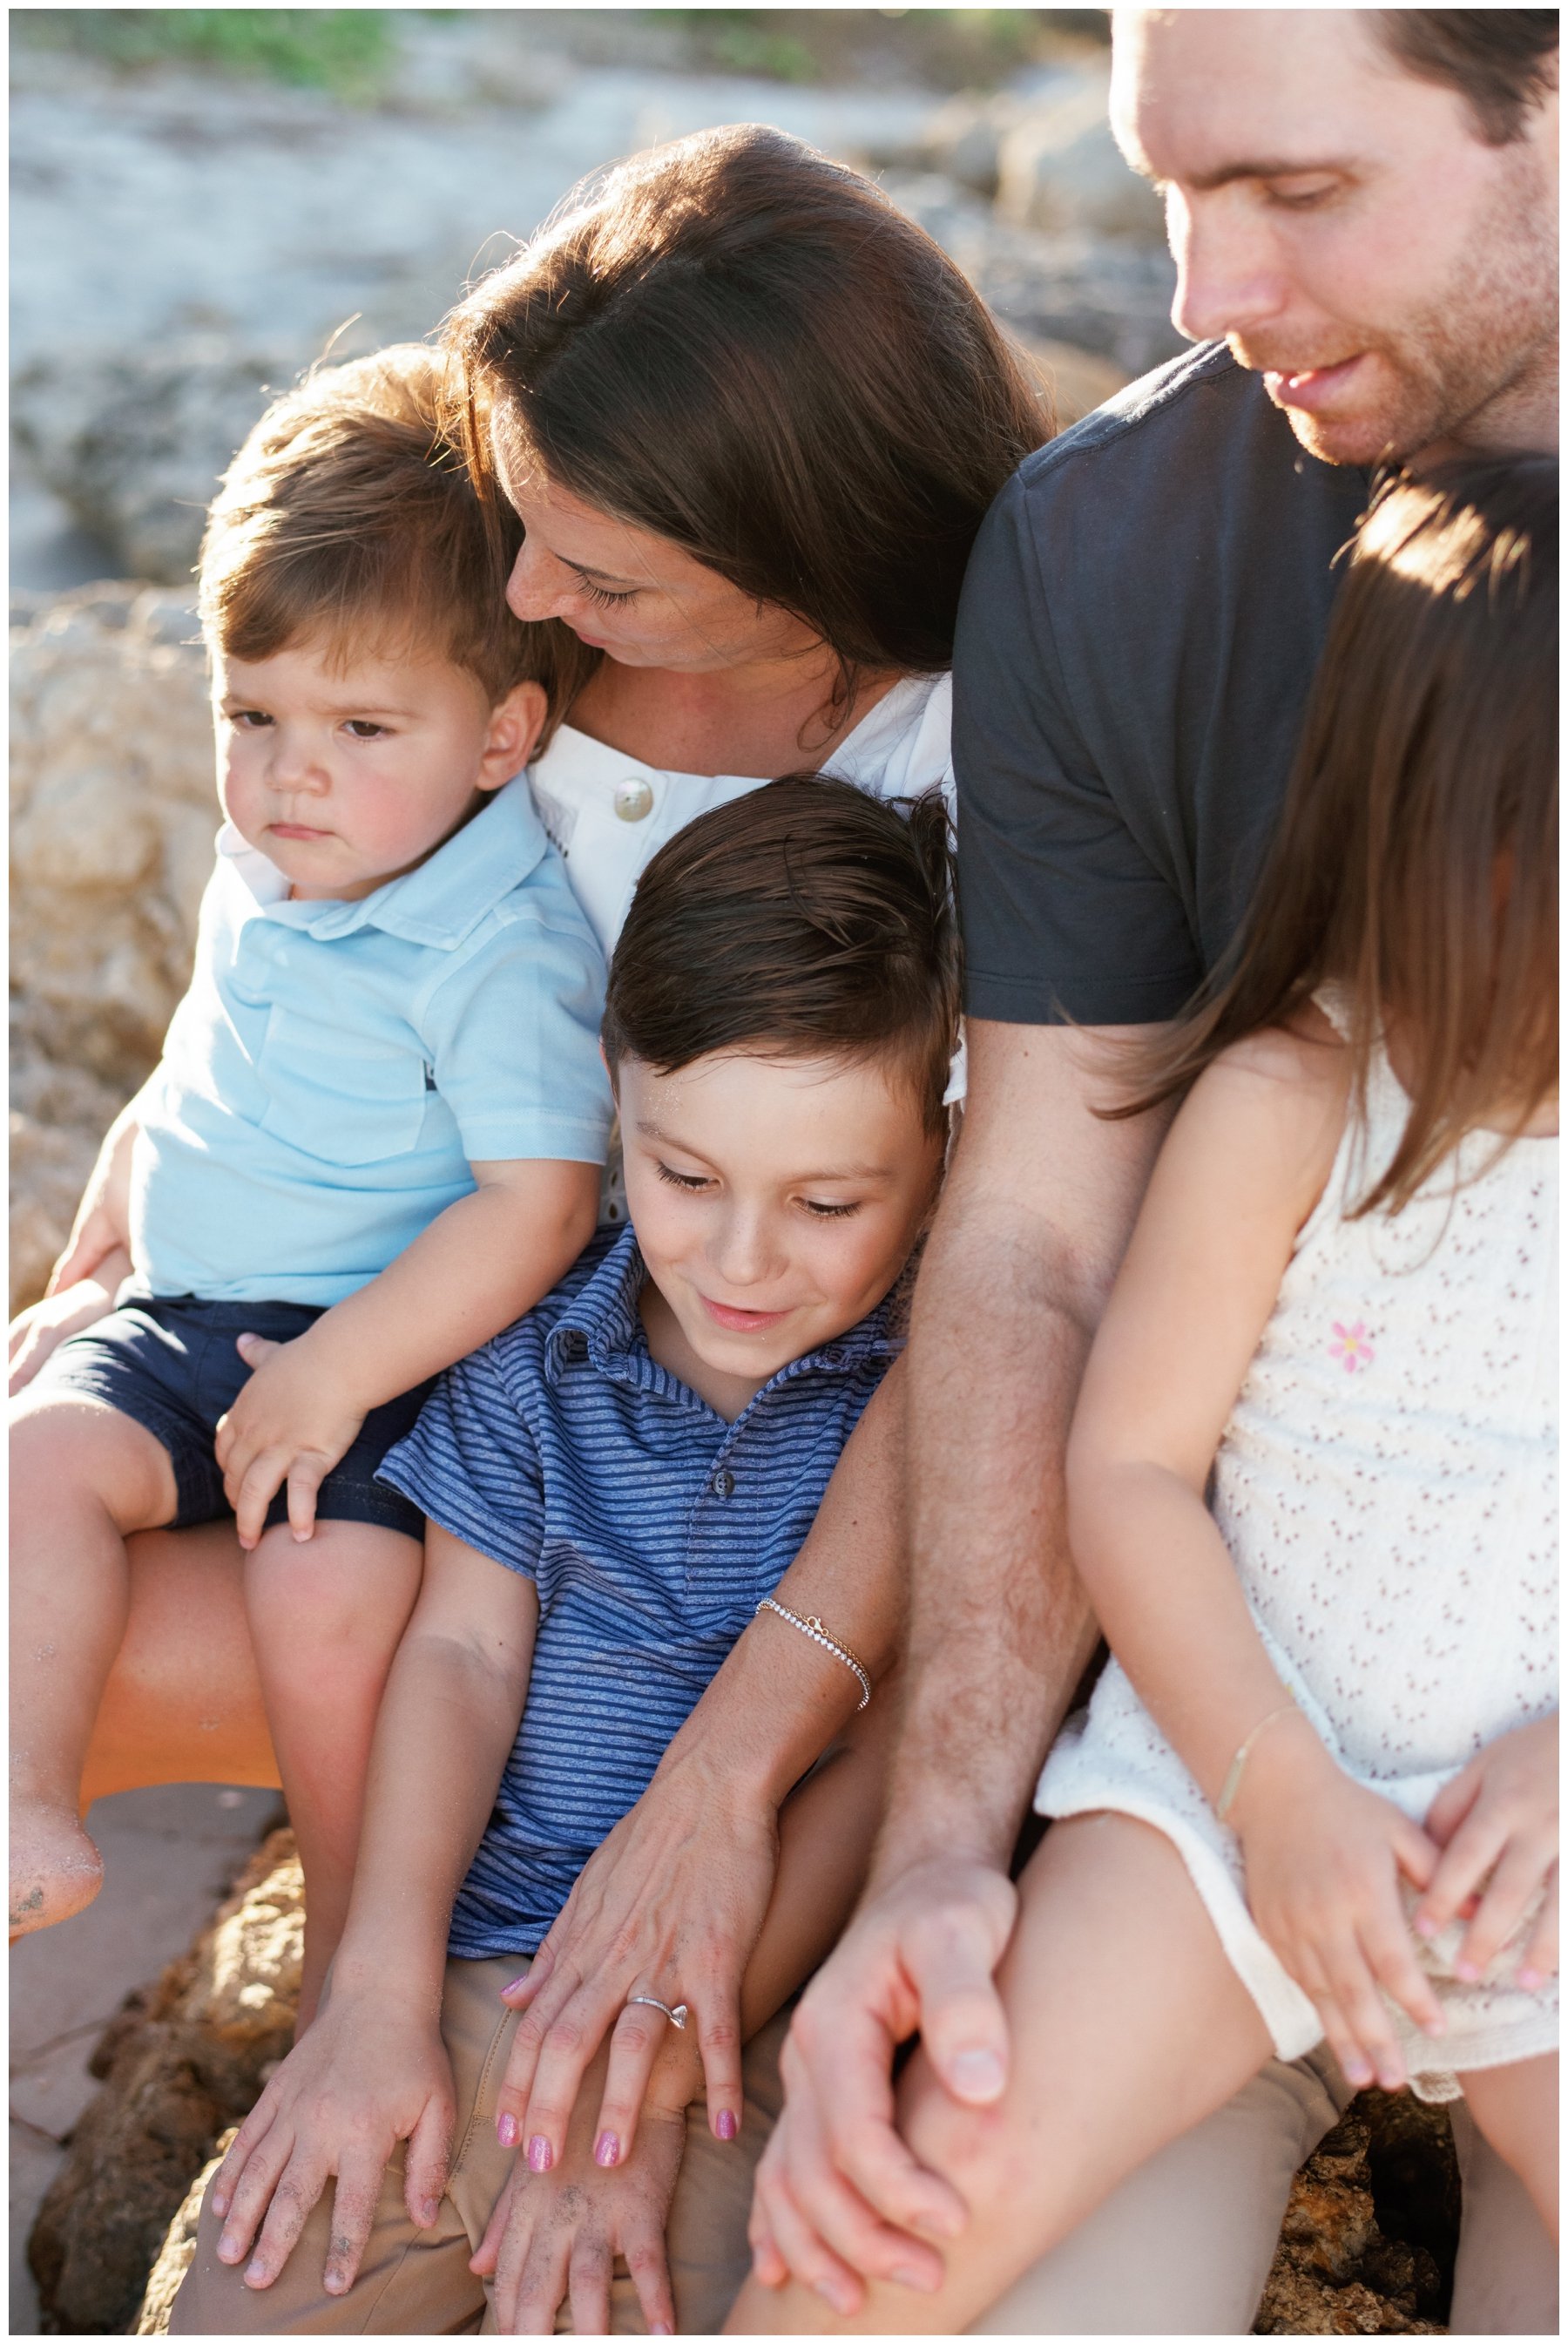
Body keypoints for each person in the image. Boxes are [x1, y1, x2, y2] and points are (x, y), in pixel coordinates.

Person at [39, 122, 1048, 2166]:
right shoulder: (505, 617)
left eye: (596, 573)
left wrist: (738, 1776)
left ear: (803, 543)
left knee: (169, 1626)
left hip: (674, 1479)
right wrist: (120, 1210)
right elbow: (295, 946)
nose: (526, 594)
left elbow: (982, 1284)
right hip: (393, 1331)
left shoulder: (976, 750)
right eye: (522, 523)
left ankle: (356, 1947)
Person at [748, 11, 1560, 2333]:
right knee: (897, 2269)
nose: (1200, 291)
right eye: (1164, 191)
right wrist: (929, 1864)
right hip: (1207, 1791)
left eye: (1296, 195)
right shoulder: (1119, 542)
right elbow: (1036, 1238)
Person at [169, 776, 960, 2334]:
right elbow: (458, 1658)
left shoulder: (924, 1405)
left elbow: (885, 1763)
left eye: (825, 1201)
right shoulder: (537, 1355)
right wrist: (380, 1995)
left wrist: (647, 2085)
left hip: (746, 2032)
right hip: (481, 1975)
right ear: (614, 1097)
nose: (742, 1261)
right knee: (253, 2297)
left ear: (946, 1141)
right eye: (685, 1176)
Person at [9, 345, 612, 2020]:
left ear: (502, 737)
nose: (292, 775)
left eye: (360, 727)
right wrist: (106, 1226)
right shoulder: (276, 855)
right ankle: (29, 1800)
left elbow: (538, 1203)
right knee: (36, 1457)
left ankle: (362, 1939)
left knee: (331, 1597)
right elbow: (202, 1043)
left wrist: (342, 1372)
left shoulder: (496, 942)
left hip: (370, 1336)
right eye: (251, 716)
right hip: (188, 1303)